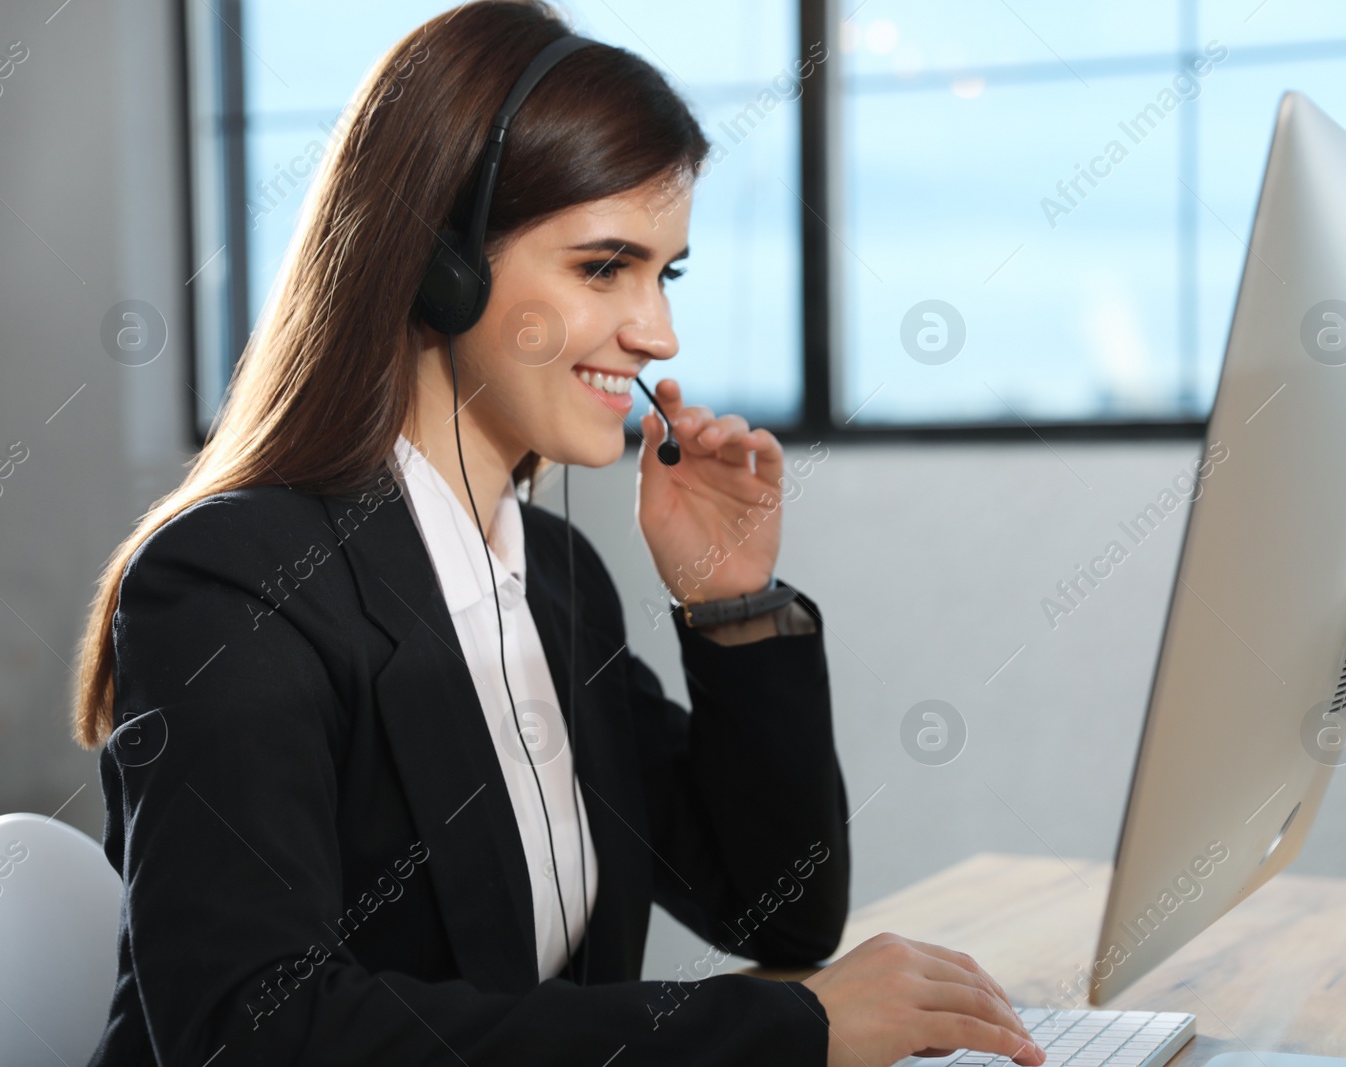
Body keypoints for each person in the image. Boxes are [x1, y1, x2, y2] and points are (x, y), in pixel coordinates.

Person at [69, 3, 1045, 1064]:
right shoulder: (231, 581)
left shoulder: (553, 579)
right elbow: (253, 1031)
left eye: (663, 273)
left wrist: (730, 605)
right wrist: (782, 1030)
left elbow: (777, 914)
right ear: (443, 263)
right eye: (601, 267)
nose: (657, 331)